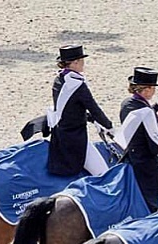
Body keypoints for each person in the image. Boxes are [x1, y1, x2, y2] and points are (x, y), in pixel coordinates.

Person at [114, 67, 158, 212]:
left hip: (130, 156)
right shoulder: (147, 112)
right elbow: (155, 146)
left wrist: (157, 106)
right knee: (156, 199)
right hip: (145, 163)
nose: (154, 91)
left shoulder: (127, 104)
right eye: (153, 88)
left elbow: (139, 120)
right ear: (148, 90)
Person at [47, 44, 113, 177]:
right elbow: (94, 108)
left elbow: (69, 108)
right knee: (103, 174)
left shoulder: (59, 79)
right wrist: (109, 126)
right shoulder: (77, 85)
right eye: (82, 61)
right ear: (75, 62)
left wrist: (88, 118)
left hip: (59, 133)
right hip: (74, 137)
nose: (83, 64)